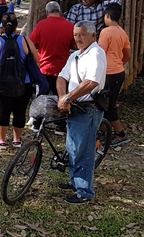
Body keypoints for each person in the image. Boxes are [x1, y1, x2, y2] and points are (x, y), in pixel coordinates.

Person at [56, 20, 107, 204]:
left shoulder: (96, 54)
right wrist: (63, 98)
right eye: (76, 34)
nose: (78, 38)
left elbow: (91, 82)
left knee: (83, 151)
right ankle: (75, 182)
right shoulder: (75, 55)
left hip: (88, 108)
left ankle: (85, 191)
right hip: (74, 107)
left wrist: (69, 98)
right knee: (72, 147)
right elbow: (62, 77)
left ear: (93, 36)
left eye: (82, 34)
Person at [0, 13, 38, 148]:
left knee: (3, 111)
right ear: (17, 26)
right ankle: (17, 139)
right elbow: (36, 60)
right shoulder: (25, 41)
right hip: (23, 82)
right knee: (20, 111)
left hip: (2, 82)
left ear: (2, 26)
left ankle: (2, 140)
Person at [97, 3, 131, 147]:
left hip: (108, 74)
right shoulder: (122, 32)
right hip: (118, 72)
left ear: (107, 16)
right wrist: (118, 63)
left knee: (107, 105)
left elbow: (99, 53)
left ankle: (120, 134)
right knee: (107, 103)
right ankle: (106, 129)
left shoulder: (106, 32)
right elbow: (127, 55)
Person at [30, 1, 76, 95]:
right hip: (63, 69)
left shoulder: (41, 25)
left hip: (44, 68)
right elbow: (75, 45)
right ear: (60, 11)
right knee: (61, 98)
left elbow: (31, 44)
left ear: (47, 13)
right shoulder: (70, 26)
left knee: (42, 100)